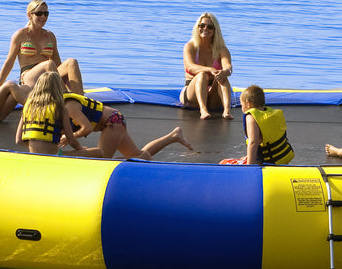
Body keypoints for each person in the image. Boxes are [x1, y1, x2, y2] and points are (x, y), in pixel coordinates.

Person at [59, 83, 193, 160]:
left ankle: (149, 163)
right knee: (138, 154)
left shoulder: (69, 106)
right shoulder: (57, 110)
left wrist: (69, 141)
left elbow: (87, 128)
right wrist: (77, 146)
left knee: (104, 159)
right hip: (113, 120)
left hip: (112, 121)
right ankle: (173, 136)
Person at [0, 0, 84, 99]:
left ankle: (80, 98)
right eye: (39, 14)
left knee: (72, 62)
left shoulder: (50, 36)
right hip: (29, 76)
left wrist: (70, 86)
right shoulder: (20, 35)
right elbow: (9, 62)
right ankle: (64, 96)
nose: (43, 17)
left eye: (46, 14)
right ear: (29, 15)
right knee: (48, 64)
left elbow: (57, 64)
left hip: (48, 75)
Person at [220, 85, 294, 165]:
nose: (242, 108)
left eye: (242, 105)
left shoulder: (251, 117)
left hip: (267, 162)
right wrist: (248, 156)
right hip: (282, 158)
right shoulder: (271, 114)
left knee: (223, 162)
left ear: (248, 104)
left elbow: (253, 142)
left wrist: (249, 165)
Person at [180, 12, 233, 120]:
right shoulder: (190, 47)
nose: (205, 29)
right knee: (202, 75)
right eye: (202, 25)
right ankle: (203, 110)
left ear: (215, 30)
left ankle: (227, 111)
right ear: (197, 27)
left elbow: (228, 66)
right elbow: (190, 67)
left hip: (213, 95)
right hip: (192, 93)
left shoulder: (221, 49)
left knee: (223, 77)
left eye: (210, 27)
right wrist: (209, 69)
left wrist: (225, 72)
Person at [15, 71, 77, 156]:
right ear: (58, 88)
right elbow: (71, 140)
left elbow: (18, 140)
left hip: (34, 154)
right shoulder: (60, 109)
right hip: (54, 154)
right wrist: (81, 149)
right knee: (95, 152)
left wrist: (36, 150)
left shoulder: (28, 106)